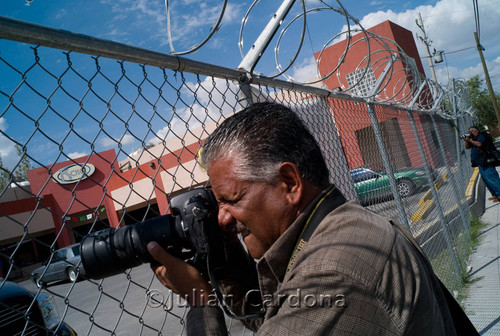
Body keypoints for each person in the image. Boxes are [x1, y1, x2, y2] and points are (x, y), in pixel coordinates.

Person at [147, 102, 473, 335]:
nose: (222, 218)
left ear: (289, 183)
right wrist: (230, 262)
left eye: (231, 200)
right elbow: (278, 317)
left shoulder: (333, 269)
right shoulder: (343, 228)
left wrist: (199, 301)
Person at [464, 125, 500, 202]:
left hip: (487, 161)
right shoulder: (473, 139)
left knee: (492, 178)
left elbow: (479, 144)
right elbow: (467, 147)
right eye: (469, 132)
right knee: (486, 180)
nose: (470, 133)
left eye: (471, 131)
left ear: (476, 131)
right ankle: (495, 195)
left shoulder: (482, 135)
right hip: (480, 163)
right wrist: (467, 140)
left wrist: (470, 140)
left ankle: (499, 194)